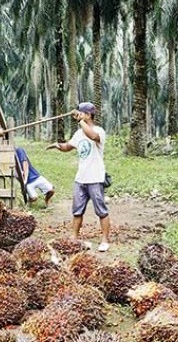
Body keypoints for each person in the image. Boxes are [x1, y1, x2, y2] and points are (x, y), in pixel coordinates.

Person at [46, 102, 111, 252]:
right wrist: (57, 145)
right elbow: (68, 147)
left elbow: (92, 136)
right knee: (77, 210)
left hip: (95, 178)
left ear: (88, 115)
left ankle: (105, 240)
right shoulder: (78, 134)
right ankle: (74, 238)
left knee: (101, 210)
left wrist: (80, 121)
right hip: (80, 179)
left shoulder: (99, 131)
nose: (79, 116)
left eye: (82, 113)